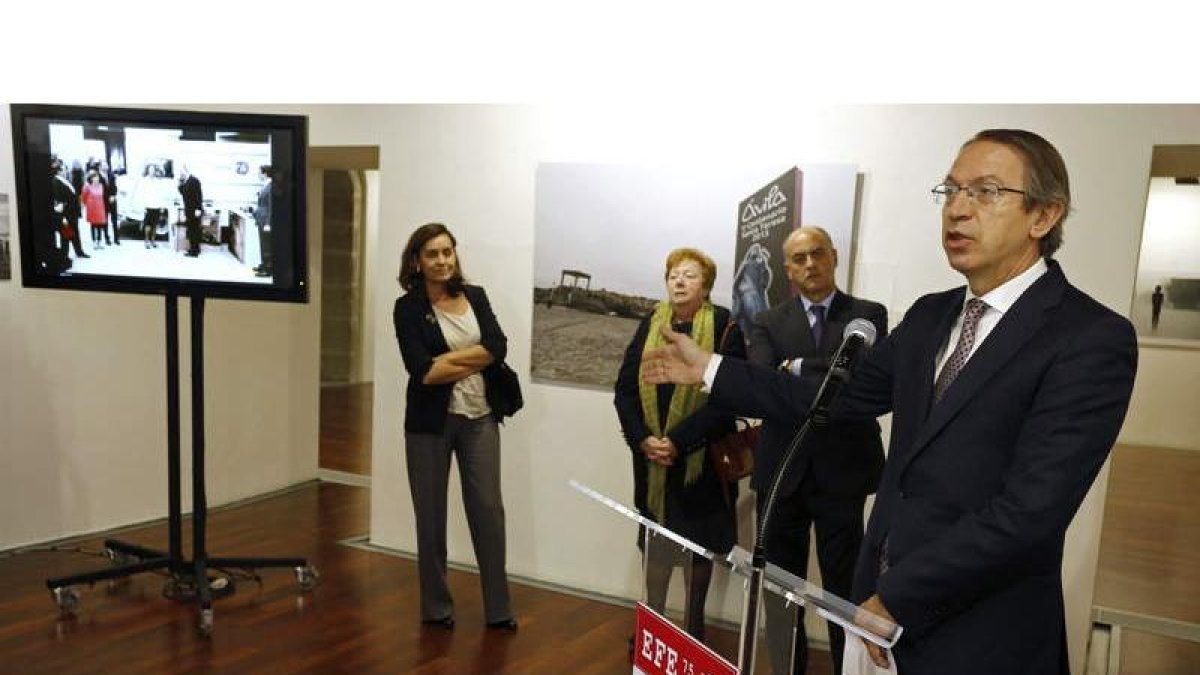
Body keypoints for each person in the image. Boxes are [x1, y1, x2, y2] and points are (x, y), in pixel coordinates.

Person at [643, 129, 1138, 675]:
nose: (957, 210)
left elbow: (1029, 514)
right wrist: (712, 368)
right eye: (950, 191)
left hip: (979, 634)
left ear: (1044, 216)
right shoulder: (931, 315)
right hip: (874, 616)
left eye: (986, 192)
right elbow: (832, 396)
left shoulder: (1089, 338)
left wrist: (899, 595)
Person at [747, 226, 887, 675]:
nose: (810, 264)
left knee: (844, 592)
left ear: (834, 257)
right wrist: (817, 375)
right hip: (781, 471)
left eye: (818, 254)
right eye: (800, 258)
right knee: (780, 591)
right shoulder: (768, 321)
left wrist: (798, 366)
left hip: (841, 473)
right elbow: (764, 383)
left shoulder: (867, 314)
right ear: (787, 268)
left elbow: (863, 375)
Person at [613, 247, 746, 642]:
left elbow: (730, 399)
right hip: (652, 464)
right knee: (654, 551)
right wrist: (643, 440)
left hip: (699, 466)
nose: (679, 281)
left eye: (689, 275)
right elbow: (624, 390)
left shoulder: (724, 326)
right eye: (673, 275)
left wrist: (679, 442)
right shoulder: (650, 322)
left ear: (705, 286)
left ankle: (693, 635)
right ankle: (652, 630)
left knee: (697, 552)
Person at [392, 222, 517, 632]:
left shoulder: (475, 296)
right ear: (417, 261)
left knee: (489, 512)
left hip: (480, 418)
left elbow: (498, 347)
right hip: (430, 424)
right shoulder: (408, 308)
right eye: (432, 254)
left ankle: (499, 611)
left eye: (447, 252)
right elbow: (422, 371)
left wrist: (453, 363)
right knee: (430, 518)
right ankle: (436, 608)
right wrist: (475, 357)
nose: (442, 260)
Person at [50, 156, 88, 261]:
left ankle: (79, 252)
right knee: (66, 234)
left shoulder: (65, 180)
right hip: (66, 213)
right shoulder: (56, 181)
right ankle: (64, 255)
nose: (66, 170)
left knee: (75, 233)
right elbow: (59, 199)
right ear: (59, 171)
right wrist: (62, 212)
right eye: (64, 169)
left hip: (73, 212)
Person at [178, 166, 204, 257]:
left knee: (194, 231)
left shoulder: (194, 180)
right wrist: (180, 183)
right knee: (191, 230)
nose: (181, 174)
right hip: (189, 210)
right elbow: (182, 193)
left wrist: (198, 209)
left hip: (195, 210)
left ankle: (194, 252)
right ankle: (194, 249)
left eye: (182, 172)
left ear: (186, 171)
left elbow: (199, 195)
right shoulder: (185, 181)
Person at [254, 165, 274, 277]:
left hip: (266, 221)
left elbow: (272, 206)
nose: (258, 175)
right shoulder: (265, 185)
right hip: (261, 219)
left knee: (267, 245)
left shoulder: (271, 186)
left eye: (259, 172)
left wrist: (268, 223)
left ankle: (268, 269)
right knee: (263, 244)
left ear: (265, 173)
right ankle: (264, 265)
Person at [81, 171, 108, 250]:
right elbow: (83, 197)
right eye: (95, 178)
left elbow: (104, 196)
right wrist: (86, 204)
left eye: (97, 178)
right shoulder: (88, 186)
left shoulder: (101, 186)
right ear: (91, 179)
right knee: (93, 225)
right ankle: (94, 242)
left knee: (100, 225)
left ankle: (99, 241)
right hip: (92, 208)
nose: (96, 179)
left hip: (100, 207)